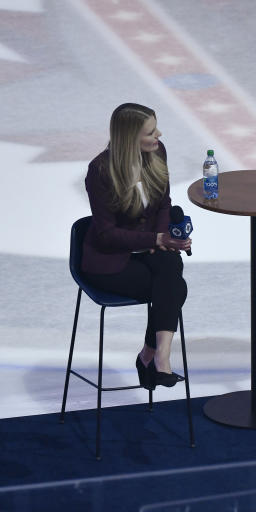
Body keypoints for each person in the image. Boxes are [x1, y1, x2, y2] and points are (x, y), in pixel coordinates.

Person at [82, 102, 191, 390]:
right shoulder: (100, 170)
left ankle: (157, 358)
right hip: (110, 261)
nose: (159, 135)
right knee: (173, 287)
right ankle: (152, 357)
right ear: (130, 138)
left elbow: (165, 204)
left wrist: (163, 237)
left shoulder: (157, 152)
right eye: (150, 132)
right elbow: (106, 234)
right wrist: (155, 239)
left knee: (171, 266)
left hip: (149, 251)